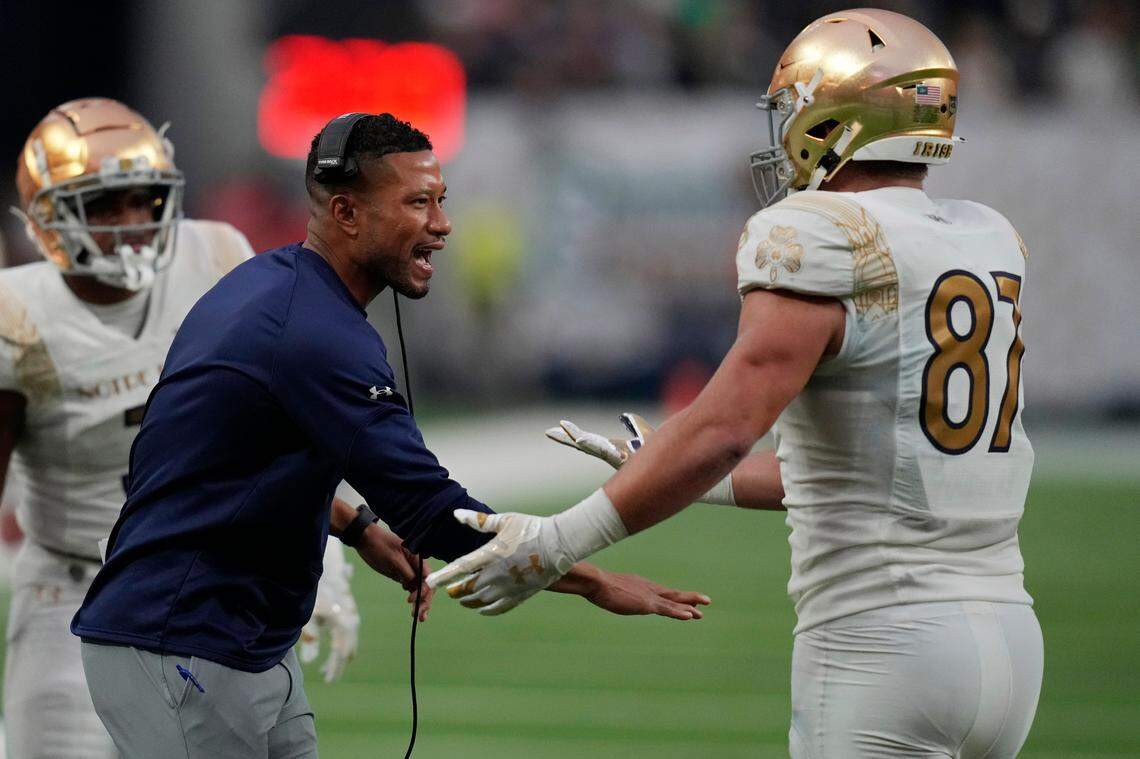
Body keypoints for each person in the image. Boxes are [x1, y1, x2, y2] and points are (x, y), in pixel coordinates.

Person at [429, 9, 1043, 757]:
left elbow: (722, 428)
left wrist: (556, 542)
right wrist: (670, 467)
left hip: (883, 642)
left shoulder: (819, 230)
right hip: (1010, 640)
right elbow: (845, 469)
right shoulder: (986, 236)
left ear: (838, 117)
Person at [71, 112, 709, 758]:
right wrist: (590, 577)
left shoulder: (271, 289)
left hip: (237, 642)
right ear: (347, 213)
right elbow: (435, 514)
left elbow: (221, 458)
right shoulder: (316, 333)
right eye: (417, 202)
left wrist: (353, 524)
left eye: (441, 200)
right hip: (178, 642)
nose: (443, 223)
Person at [0, 97, 368, 758]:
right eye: (105, 205)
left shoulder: (216, 256)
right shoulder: (18, 315)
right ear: (49, 217)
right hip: (72, 596)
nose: (132, 223)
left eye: (143, 199)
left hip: (206, 591)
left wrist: (328, 561)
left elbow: (286, 433)